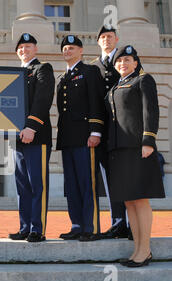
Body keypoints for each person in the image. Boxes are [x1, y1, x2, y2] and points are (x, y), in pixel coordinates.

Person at [106, 45, 165, 267]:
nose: (123, 64)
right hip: (119, 150)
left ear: (136, 62)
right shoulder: (116, 85)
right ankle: (137, 249)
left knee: (140, 199)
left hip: (137, 147)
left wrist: (148, 140)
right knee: (129, 201)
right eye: (119, 61)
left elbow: (151, 111)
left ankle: (145, 250)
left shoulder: (143, 80)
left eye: (128, 60)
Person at [56, 35, 105, 242]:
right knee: (72, 185)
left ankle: (91, 227)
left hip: (86, 137)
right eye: (65, 48)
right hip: (68, 138)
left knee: (87, 182)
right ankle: (76, 225)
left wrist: (96, 131)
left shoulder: (90, 72)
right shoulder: (62, 78)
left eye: (72, 48)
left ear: (81, 51)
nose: (67, 51)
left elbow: (96, 101)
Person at [8, 33, 55, 242]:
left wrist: (31, 126)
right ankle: (25, 226)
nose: (24, 50)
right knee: (22, 186)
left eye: (28, 47)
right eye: (21, 48)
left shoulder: (43, 68)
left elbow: (43, 99)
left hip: (36, 136)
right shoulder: (16, 73)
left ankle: (38, 228)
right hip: (17, 138)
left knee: (37, 184)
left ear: (35, 49)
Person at [91, 25, 129, 240]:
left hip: (123, 129)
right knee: (109, 179)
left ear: (116, 39)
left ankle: (132, 223)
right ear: (98, 41)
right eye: (102, 37)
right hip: (104, 132)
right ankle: (118, 222)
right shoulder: (93, 66)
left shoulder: (126, 61)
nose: (106, 39)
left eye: (109, 36)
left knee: (127, 176)